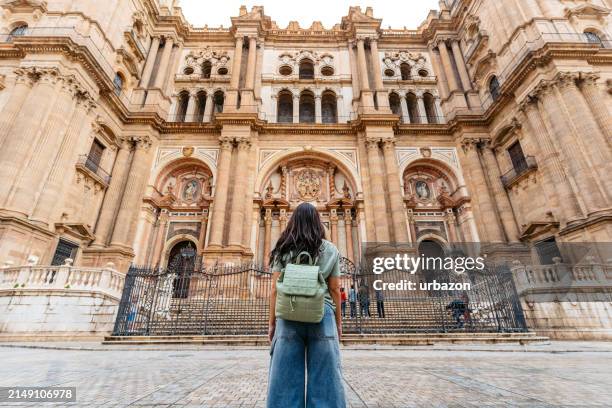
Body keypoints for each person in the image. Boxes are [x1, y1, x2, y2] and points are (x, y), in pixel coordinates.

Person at [267, 202, 346, 408]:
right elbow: (335, 289)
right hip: (322, 313)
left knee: (284, 377)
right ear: (318, 222)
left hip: (288, 313)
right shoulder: (330, 249)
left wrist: (272, 323)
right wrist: (338, 323)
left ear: (293, 222)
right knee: (326, 377)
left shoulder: (283, 248)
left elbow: (275, 288)